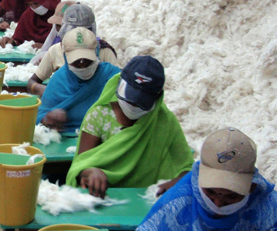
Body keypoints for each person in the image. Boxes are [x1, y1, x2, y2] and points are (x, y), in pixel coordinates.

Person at [113, 128, 277, 231]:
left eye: (231, 196)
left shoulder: (268, 208)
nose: (218, 203)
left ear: (251, 186)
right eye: (211, 192)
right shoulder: (182, 199)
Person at [65, 56, 193, 198]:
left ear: (157, 97)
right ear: (120, 84)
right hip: (103, 196)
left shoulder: (164, 122)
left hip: (146, 201)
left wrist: (176, 183)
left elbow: (186, 168)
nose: (133, 106)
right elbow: (80, 165)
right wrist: (89, 172)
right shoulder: (99, 115)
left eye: (141, 103)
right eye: (130, 99)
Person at [36, 28, 121, 134]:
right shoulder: (59, 80)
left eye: (88, 61)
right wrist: (48, 118)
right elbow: (39, 116)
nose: (83, 66)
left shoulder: (112, 76)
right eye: (76, 62)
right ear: (66, 58)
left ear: (96, 53)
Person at [27, 3, 118, 96]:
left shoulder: (104, 51)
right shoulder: (56, 50)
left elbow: (117, 84)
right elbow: (32, 82)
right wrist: (50, 91)